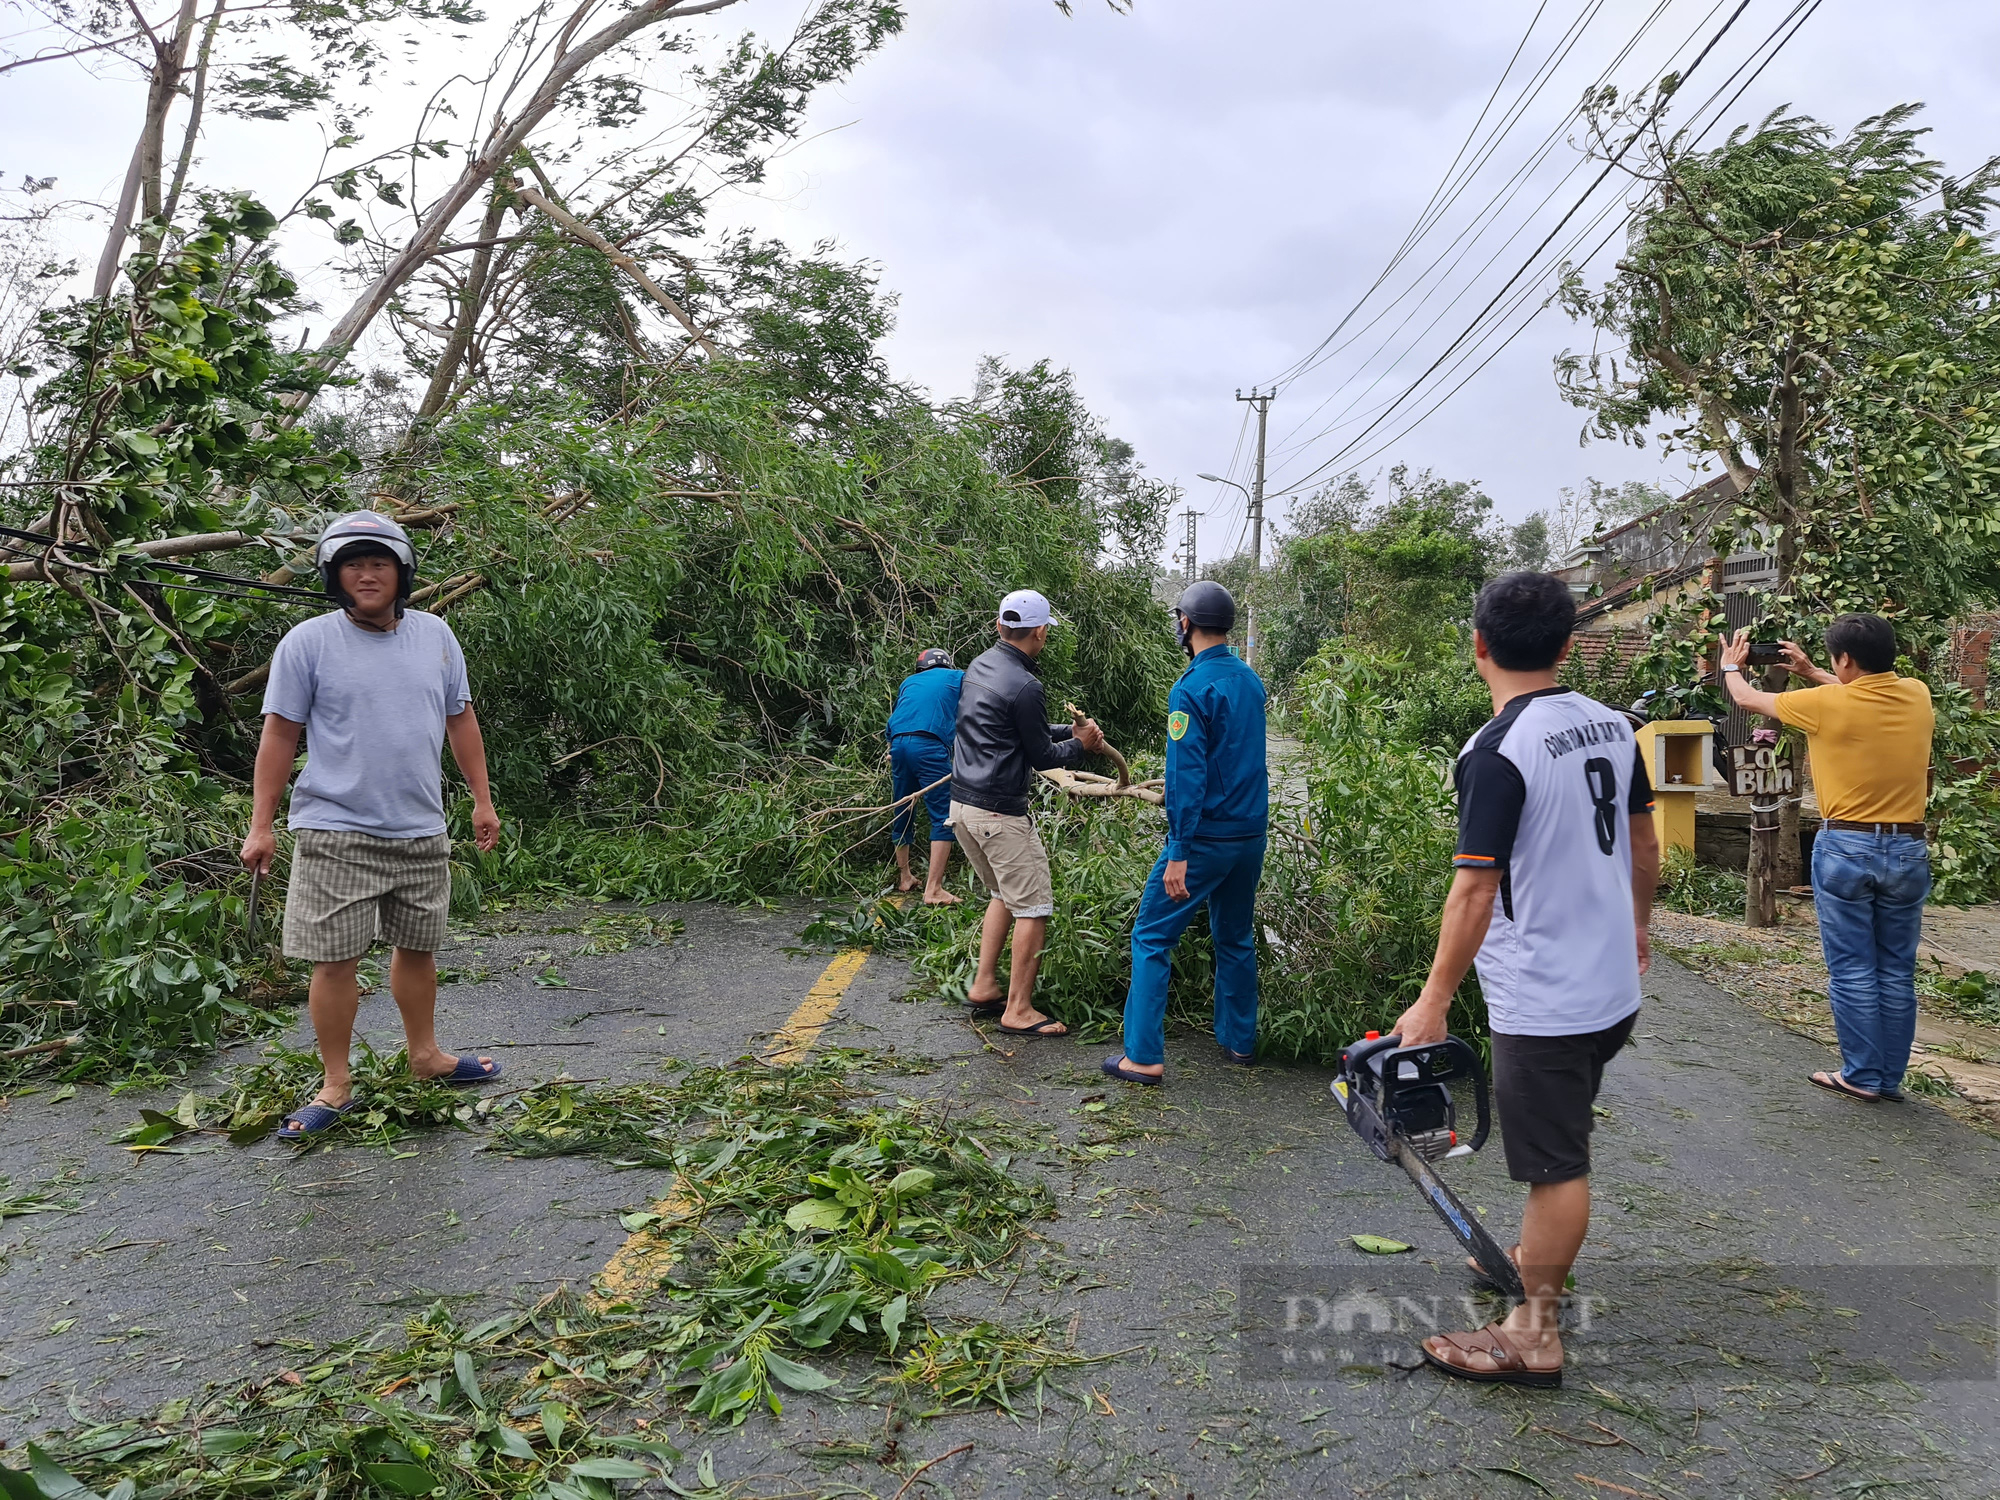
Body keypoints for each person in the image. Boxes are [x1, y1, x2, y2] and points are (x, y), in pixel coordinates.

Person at [1394, 571, 1659, 1389]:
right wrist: (1641, 928)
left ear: (1478, 645)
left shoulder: (1496, 752)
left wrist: (1434, 998)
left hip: (1548, 999)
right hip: (1610, 984)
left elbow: (1473, 887)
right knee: (1563, 1131)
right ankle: (1530, 1257)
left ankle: (1533, 1332)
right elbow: (1644, 846)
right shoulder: (1615, 727)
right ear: (1569, 646)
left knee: (1555, 1162)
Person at [239, 511, 504, 1141]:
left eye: (378, 562)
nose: (366, 574)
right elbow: (280, 734)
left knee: (418, 949)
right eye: (352, 564)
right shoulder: (307, 643)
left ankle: (426, 1057)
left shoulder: (437, 637)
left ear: (402, 573)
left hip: (419, 827)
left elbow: (460, 720)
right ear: (334, 575)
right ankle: (336, 1082)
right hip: (335, 828)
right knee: (334, 961)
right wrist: (261, 824)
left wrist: (482, 801)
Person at [1720, 617, 1934, 1103]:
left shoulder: (1826, 703)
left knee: (1854, 969)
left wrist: (1732, 666)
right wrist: (1813, 669)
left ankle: (1861, 1076)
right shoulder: (1917, 694)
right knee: (1896, 970)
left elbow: (1750, 700)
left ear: (1846, 661)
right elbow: (1855, 694)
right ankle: (1888, 1080)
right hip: (1907, 849)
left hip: (1848, 849)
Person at [1102, 581, 1268, 1085]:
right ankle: (1240, 1042)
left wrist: (1178, 851)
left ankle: (1143, 1056)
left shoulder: (1190, 689)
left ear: (1186, 623)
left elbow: (1185, 777)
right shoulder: (1250, 680)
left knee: (1152, 936)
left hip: (1206, 842)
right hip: (1249, 837)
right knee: (1234, 935)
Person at [949, 588, 1106, 1037]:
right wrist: (1082, 745)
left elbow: (1012, 729)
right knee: (1033, 906)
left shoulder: (979, 666)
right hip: (999, 815)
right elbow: (1040, 755)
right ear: (1039, 631)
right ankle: (1018, 1009)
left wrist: (1071, 730)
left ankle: (983, 985)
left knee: (1003, 894)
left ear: (1000, 626)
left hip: (962, 808)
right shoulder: (1026, 684)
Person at [887, 647, 965, 904]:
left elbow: (896, 718)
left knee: (903, 807)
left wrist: (894, 749)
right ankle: (933, 889)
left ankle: (905, 877)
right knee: (944, 816)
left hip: (898, 744)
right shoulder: (956, 677)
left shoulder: (908, 682)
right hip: (929, 745)